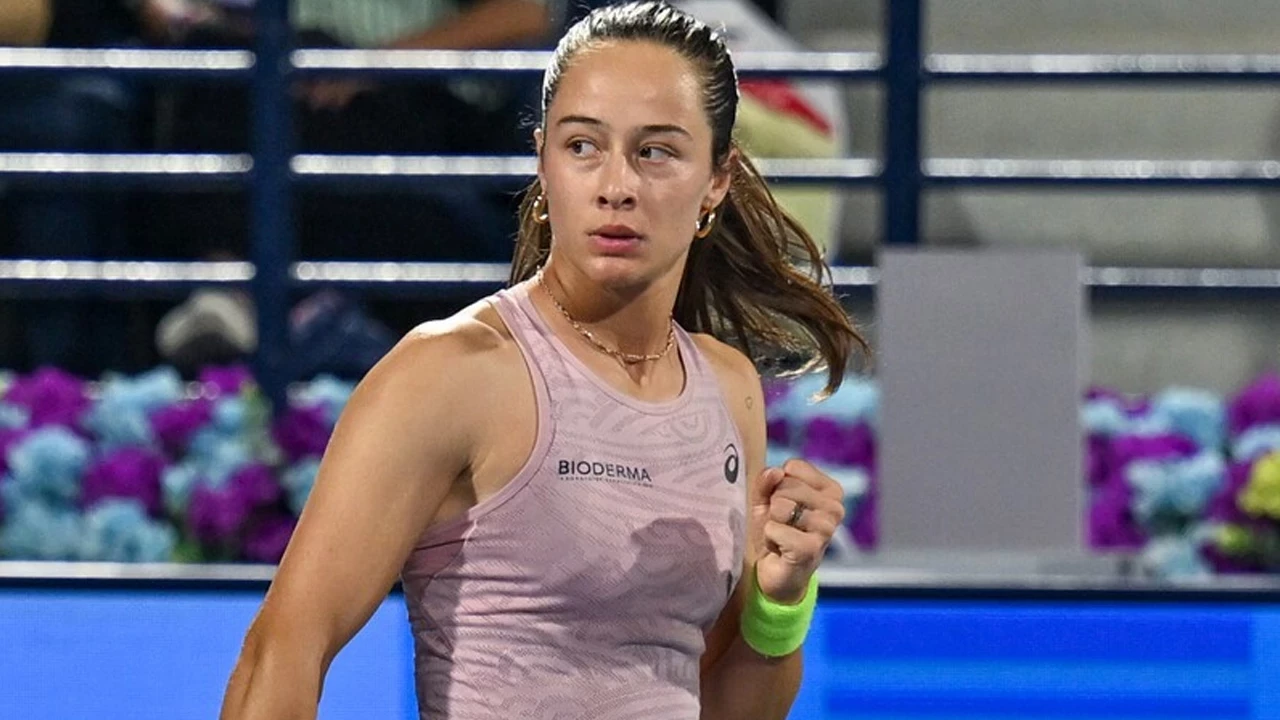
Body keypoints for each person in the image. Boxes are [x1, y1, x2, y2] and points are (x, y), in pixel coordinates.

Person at [220, 2, 868, 718]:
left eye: (656, 151)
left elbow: (727, 707)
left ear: (717, 179)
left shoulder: (728, 387)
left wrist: (780, 605)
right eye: (583, 146)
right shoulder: (452, 374)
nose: (615, 184)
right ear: (543, 163)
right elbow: (281, 651)